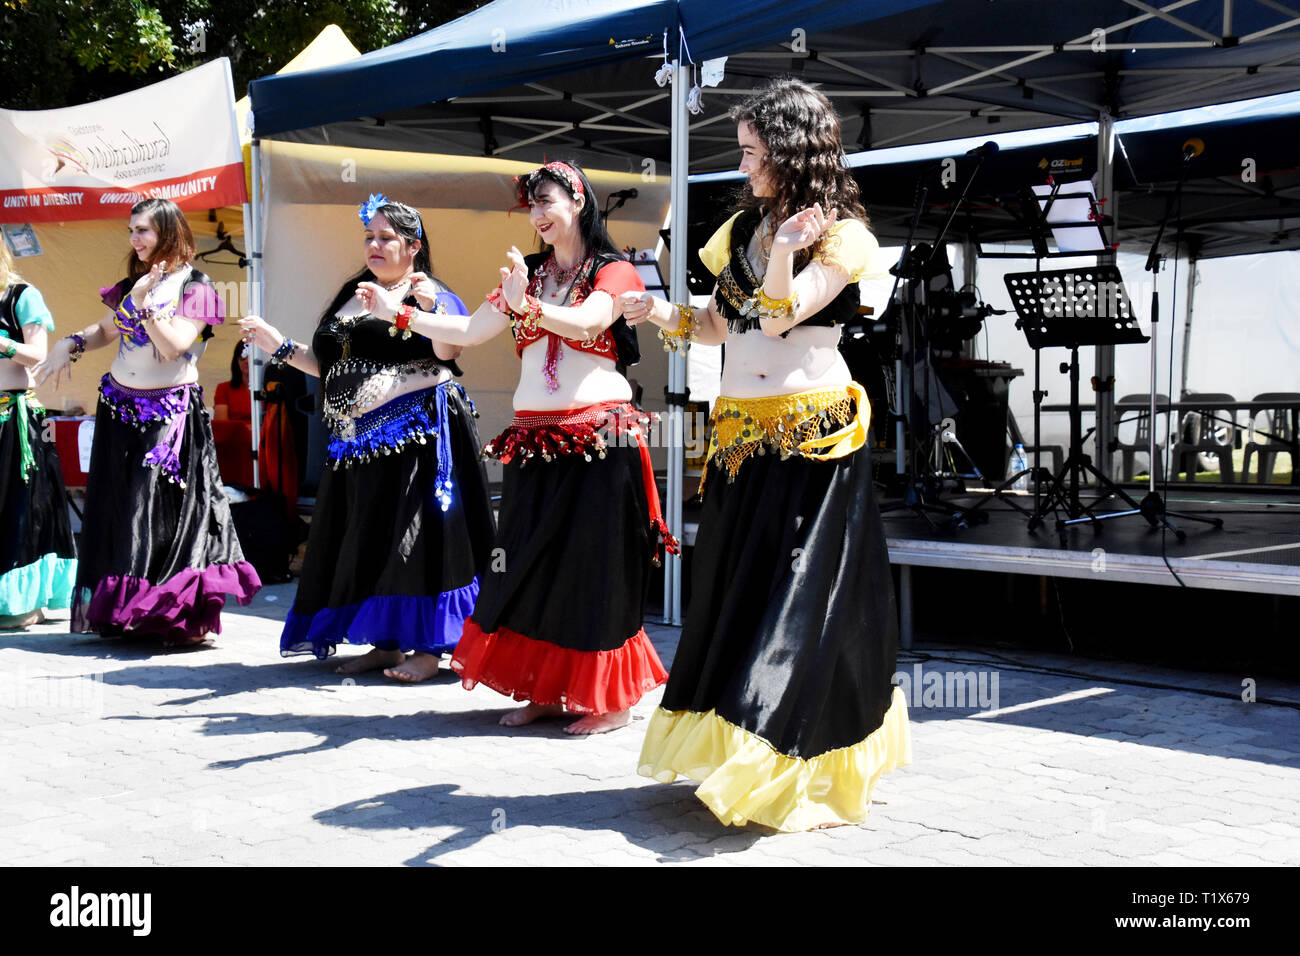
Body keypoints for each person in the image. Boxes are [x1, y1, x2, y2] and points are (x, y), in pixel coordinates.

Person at [625, 78, 912, 830]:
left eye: (753, 152)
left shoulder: (840, 235)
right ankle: (739, 749)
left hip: (813, 437)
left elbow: (783, 317)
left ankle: (789, 767)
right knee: (739, 591)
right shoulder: (737, 234)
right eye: (743, 150)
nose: (742, 163)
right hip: (740, 436)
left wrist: (785, 249)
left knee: (797, 604)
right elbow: (724, 327)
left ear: (789, 150)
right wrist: (657, 309)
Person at [355, 163, 674, 734]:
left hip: (602, 434)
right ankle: (547, 689)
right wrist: (396, 312)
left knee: (593, 565)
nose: (537, 215)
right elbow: (469, 332)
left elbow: (586, 323)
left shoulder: (616, 268)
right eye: (530, 206)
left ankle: (611, 701)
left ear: (577, 199)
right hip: (535, 439)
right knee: (527, 562)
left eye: (546, 201)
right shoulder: (527, 273)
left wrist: (527, 307)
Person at [239, 196, 495, 683]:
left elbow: (451, 347)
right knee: (370, 534)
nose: (373, 246)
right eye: (368, 237)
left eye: (386, 238)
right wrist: (279, 345)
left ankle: (428, 649)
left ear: (413, 246)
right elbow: (327, 368)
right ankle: (385, 645)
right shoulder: (353, 293)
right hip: (356, 442)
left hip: (419, 433)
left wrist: (416, 308)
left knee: (417, 539)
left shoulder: (433, 294)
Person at [34, 198, 260, 647]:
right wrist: (71, 342)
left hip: (169, 416)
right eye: (131, 230)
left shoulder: (198, 286)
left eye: (144, 230)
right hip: (119, 408)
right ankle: (128, 612)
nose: (135, 239)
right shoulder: (133, 283)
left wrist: (145, 306)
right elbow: (106, 330)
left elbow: (175, 345)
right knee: (123, 509)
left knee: (160, 513)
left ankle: (171, 616)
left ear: (169, 232)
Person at [0, 242, 77, 629]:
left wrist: (2, 343)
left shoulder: (21, 295)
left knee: (19, 509)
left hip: (14, 419)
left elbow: (38, 354)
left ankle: (21, 604)